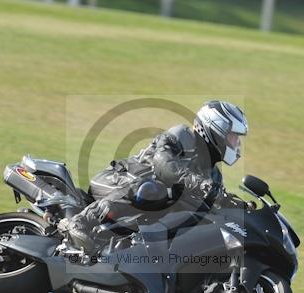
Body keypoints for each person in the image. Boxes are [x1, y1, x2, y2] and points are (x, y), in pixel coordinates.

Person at [58, 100, 248, 255]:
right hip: (118, 181)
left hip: (143, 208)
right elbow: (163, 164)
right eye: (233, 137)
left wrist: (238, 207)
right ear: (215, 129)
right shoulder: (182, 136)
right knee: (152, 189)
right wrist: (196, 181)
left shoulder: (213, 175)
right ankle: (82, 221)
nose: (236, 143)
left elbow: (211, 207)